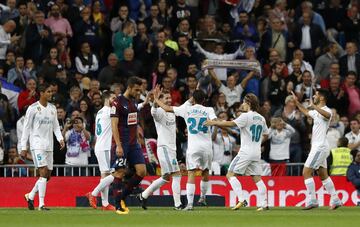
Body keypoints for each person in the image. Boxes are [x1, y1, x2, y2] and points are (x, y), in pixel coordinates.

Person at [205, 93, 269, 211]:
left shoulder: (246, 116)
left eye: (244, 102)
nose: (242, 105)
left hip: (245, 152)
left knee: (230, 174)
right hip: (256, 152)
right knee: (257, 177)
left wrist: (213, 122)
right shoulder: (261, 118)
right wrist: (258, 143)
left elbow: (230, 124)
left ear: (249, 103)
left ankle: (241, 199)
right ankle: (264, 203)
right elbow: (266, 134)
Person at [155, 89, 217, 210]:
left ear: (193, 99)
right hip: (207, 146)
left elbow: (167, 109)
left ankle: (189, 204)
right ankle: (203, 197)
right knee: (205, 171)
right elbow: (214, 121)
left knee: (191, 173)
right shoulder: (209, 110)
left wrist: (157, 100)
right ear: (204, 100)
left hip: (193, 147)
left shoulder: (187, 109)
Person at [291, 89, 342, 210]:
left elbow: (328, 115)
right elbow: (307, 112)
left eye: (316, 94)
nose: (314, 96)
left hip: (320, 147)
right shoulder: (316, 112)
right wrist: (297, 103)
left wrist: (314, 106)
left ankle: (313, 200)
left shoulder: (327, 110)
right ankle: (335, 199)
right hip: (319, 147)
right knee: (323, 174)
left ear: (322, 98)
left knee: (306, 172)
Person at [137, 88, 182, 210]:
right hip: (165, 148)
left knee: (165, 178)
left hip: (171, 149)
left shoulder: (171, 111)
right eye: (166, 98)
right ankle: (178, 204)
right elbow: (154, 111)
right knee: (177, 175)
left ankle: (143, 195)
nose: (169, 100)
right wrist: (155, 101)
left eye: (169, 97)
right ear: (160, 100)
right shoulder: (159, 112)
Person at [22, 83, 65, 210]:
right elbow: (26, 128)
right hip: (37, 144)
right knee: (43, 172)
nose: (51, 94)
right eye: (48, 92)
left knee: (48, 175)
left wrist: (60, 139)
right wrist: (23, 147)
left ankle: (30, 195)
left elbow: (56, 126)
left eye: (51, 92)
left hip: (49, 145)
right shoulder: (33, 108)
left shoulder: (52, 108)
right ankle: (41, 204)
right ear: (41, 93)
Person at [111, 76, 147, 215]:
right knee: (120, 171)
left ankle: (122, 198)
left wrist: (138, 134)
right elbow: (114, 125)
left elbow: (134, 121)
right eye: (137, 89)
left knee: (142, 172)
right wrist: (119, 145)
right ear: (130, 87)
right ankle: (117, 205)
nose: (139, 92)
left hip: (133, 143)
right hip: (122, 143)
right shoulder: (117, 102)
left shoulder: (132, 102)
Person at [86, 91, 117, 211]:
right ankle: (93, 193)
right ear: (107, 99)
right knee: (115, 174)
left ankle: (105, 204)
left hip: (100, 145)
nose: (115, 100)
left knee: (104, 175)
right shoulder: (109, 111)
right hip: (104, 147)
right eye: (113, 98)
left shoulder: (100, 112)